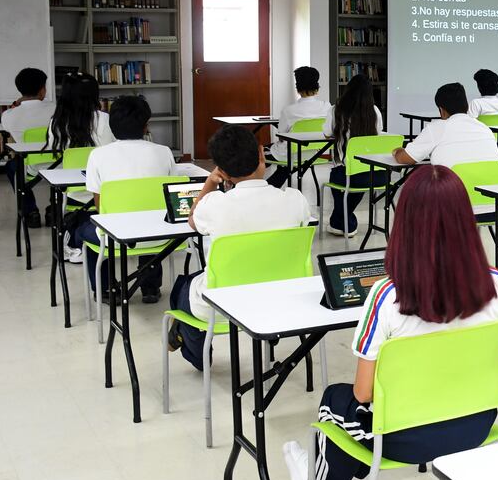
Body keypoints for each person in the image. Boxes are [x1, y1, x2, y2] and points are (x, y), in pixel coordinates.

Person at [280, 165, 498, 480]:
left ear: (405, 223)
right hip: (476, 423)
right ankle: (329, 478)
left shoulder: (387, 295)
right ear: (466, 220)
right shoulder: (496, 284)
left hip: (404, 438)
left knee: (337, 401)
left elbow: (363, 393)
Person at [167, 126, 310, 371]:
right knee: (191, 282)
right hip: (283, 300)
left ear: (222, 171)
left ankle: (195, 351)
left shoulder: (215, 205)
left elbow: (192, 219)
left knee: (182, 290)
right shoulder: (295, 199)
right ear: (262, 156)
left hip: (224, 306)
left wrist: (210, 183)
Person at [73, 96, 176, 304]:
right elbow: (170, 196)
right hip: (161, 235)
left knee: (83, 230)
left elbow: (100, 206)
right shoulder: (164, 152)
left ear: (112, 126)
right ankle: (150, 287)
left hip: (114, 236)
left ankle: (105, 289)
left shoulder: (98, 155)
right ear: (146, 125)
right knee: (149, 218)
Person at [48, 73, 114, 264]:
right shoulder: (106, 120)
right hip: (107, 194)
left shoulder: (57, 122)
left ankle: (74, 237)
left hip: (73, 193)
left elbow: (56, 154)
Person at [322, 74, 385, 236]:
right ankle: (344, 222)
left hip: (346, 173)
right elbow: (378, 134)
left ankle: (343, 223)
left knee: (336, 177)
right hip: (373, 174)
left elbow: (326, 133)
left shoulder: (337, 110)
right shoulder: (375, 111)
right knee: (355, 184)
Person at [394, 82, 498, 169]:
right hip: (486, 191)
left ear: (442, 110)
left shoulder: (437, 128)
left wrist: (396, 151)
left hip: (451, 192)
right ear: (467, 106)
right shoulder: (485, 129)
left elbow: (406, 158)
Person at [1, 67, 56, 228]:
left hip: (30, 168)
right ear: (42, 90)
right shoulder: (57, 110)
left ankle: (30, 211)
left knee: (11, 166)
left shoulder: (9, 116)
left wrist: (17, 104)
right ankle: (54, 209)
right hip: (58, 165)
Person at [267, 66, 330, 188]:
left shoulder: (289, 111)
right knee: (283, 167)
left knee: (258, 153)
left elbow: (281, 135)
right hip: (314, 153)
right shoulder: (327, 107)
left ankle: (256, 189)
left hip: (290, 153)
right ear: (317, 86)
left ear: (297, 88)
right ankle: (269, 188)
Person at [48, 72, 113, 151]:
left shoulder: (56, 121)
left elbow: (52, 148)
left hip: (66, 163)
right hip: (100, 162)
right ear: (94, 94)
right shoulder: (106, 118)